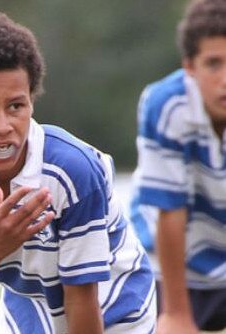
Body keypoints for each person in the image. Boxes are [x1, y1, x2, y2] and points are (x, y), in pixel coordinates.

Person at [0, 12, 156, 334]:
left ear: (32, 102)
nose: (3, 126)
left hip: (114, 313)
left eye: (16, 106)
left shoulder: (71, 170)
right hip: (29, 310)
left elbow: (82, 298)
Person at [129, 0, 226, 333]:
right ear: (190, 67)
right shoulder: (167, 104)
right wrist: (176, 314)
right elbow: (170, 209)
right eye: (214, 64)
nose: (225, 78)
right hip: (164, 266)